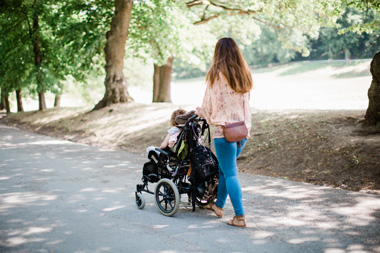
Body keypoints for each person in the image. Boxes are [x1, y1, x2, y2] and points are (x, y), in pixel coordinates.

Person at [196, 37, 252, 228]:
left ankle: (240, 216)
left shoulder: (215, 74)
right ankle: (219, 206)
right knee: (224, 169)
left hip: (222, 131)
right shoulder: (244, 74)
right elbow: (246, 104)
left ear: (217, 53)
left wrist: (201, 113)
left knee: (230, 173)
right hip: (241, 131)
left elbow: (208, 106)